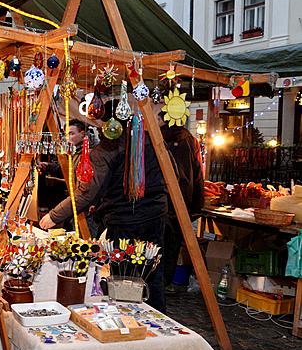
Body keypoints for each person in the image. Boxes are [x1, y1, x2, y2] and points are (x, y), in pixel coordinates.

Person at [40, 108, 169, 312]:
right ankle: (157, 319)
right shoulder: (151, 142)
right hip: (156, 214)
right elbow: (173, 175)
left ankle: (128, 320)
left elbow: (87, 192)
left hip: (125, 219)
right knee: (152, 271)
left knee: (123, 274)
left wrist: (53, 216)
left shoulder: (106, 150)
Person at [160, 114, 204, 291]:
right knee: (171, 247)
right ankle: (165, 284)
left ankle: (155, 286)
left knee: (155, 246)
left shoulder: (155, 138)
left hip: (159, 201)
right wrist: (196, 206)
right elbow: (198, 174)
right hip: (181, 202)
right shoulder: (190, 140)